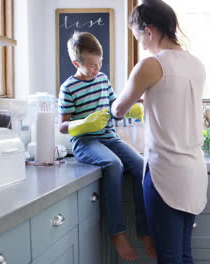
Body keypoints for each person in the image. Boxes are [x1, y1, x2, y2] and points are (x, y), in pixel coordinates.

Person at [110, 0, 208, 263]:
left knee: (168, 257)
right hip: (194, 171)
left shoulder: (151, 65)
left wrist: (114, 106)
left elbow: (119, 108)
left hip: (165, 173)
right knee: (184, 254)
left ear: (149, 31)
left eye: (139, 37)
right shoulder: (196, 64)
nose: (141, 44)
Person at [57, 31, 155, 261]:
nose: (97, 69)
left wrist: (128, 109)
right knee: (113, 164)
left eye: (100, 63)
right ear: (76, 63)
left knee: (141, 164)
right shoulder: (68, 88)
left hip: (109, 137)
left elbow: (114, 107)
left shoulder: (102, 79)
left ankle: (144, 230)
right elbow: (62, 127)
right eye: (91, 65)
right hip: (85, 141)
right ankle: (117, 233)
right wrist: (83, 123)